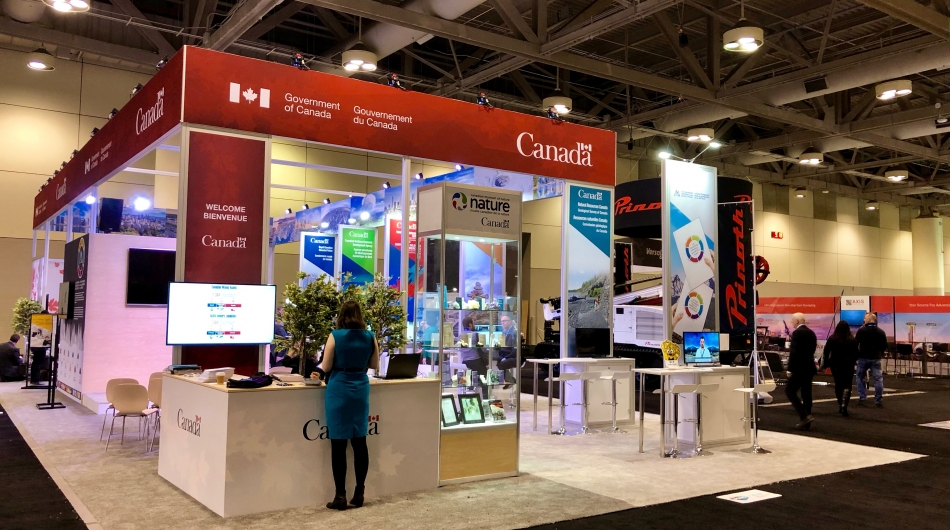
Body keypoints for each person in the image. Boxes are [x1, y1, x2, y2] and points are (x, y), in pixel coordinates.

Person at [319, 301, 380, 511]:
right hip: (360, 387)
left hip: (339, 387)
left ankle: (340, 496)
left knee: (338, 444)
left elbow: (326, 365)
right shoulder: (370, 336)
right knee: (360, 441)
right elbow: (374, 365)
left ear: (342, 315)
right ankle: (359, 492)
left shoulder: (335, 335)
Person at [786, 313, 817, 430]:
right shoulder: (811, 333)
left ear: (797, 321)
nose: (791, 322)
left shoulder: (796, 333)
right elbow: (812, 350)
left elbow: (794, 352)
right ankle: (807, 422)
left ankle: (804, 415)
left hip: (799, 368)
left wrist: (790, 368)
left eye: (792, 320)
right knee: (806, 394)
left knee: (790, 391)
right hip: (809, 367)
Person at [823, 321, 859, 416]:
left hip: (835, 364)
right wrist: (853, 360)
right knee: (847, 385)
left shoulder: (832, 338)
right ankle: (844, 405)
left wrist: (826, 363)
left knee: (838, 384)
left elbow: (826, 351)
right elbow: (856, 353)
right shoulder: (852, 339)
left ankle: (840, 403)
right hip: (848, 365)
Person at [855, 312, 887, 407]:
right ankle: (878, 400)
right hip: (876, 358)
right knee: (878, 379)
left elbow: (856, 343)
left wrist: (857, 354)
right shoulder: (881, 332)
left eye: (865, 318)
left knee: (860, 376)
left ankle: (862, 397)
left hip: (863, 357)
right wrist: (880, 353)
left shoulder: (861, 331)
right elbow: (884, 345)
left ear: (868, 320)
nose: (864, 320)